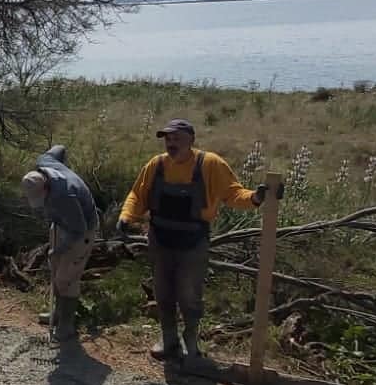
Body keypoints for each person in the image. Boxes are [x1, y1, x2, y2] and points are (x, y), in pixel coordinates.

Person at [118, 118, 281, 363]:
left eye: (177, 138)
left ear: (191, 140)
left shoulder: (210, 164)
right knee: (163, 292)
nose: (171, 143)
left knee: (189, 294)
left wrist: (256, 198)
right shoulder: (156, 164)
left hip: (193, 242)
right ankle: (168, 339)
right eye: (168, 139)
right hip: (160, 240)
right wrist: (126, 216)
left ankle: (190, 340)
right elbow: (137, 194)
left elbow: (233, 193)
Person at [20, 145, 99, 343]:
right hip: (60, 223)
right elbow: (59, 148)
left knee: (66, 278)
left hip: (81, 231)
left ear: (46, 187)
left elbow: (79, 229)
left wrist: (59, 249)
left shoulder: (66, 195)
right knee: (55, 270)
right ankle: (57, 312)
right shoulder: (44, 162)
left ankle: (67, 324)